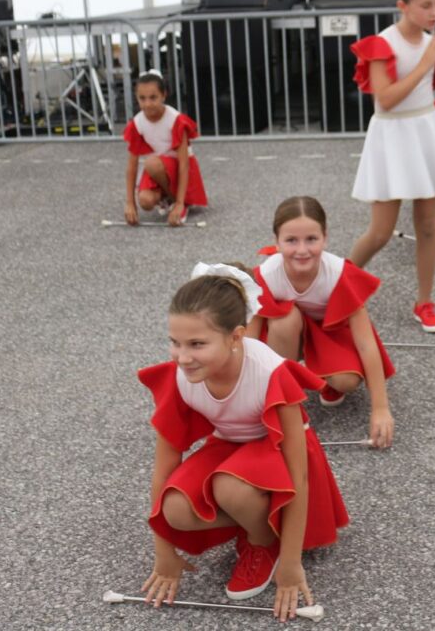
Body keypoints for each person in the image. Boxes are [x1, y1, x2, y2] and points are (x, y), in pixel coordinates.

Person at [138, 264, 348, 618]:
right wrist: (164, 554)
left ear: (235, 337)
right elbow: (163, 472)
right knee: (173, 507)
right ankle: (255, 520)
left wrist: (292, 566)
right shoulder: (181, 376)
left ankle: (264, 542)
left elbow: (298, 475)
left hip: (279, 452)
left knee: (229, 487)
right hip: (231, 448)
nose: (182, 356)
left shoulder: (268, 372)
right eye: (174, 342)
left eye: (197, 344)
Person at [347, 0, 435, 333]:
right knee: (381, 232)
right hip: (393, 135)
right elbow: (385, 99)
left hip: (426, 132)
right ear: (403, 6)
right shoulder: (383, 44)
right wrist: (426, 64)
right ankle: (338, 288)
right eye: (426, 5)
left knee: (428, 226)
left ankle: (424, 301)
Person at [247, 196, 396, 448]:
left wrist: (380, 408)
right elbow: (249, 340)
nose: (302, 250)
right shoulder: (268, 275)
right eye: (291, 240)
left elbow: (365, 342)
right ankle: (280, 394)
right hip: (289, 332)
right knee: (284, 319)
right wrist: (244, 400)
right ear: (277, 241)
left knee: (346, 381)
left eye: (311, 239)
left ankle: (327, 379)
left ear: (325, 238)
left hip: (332, 333)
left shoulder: (338, 273)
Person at [123, 71, 207, 227]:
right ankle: (168, 197)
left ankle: (179, 202)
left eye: (153, 97)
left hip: (180, 170)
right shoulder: (137, 122)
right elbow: (131, 166)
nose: (147, 104)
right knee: (145, 201)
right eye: (142, 98)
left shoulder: (175, 120)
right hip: (160, 168)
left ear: (164, 95)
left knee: (151, 163)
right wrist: (130, 203)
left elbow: (184, 164)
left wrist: (180, 203)